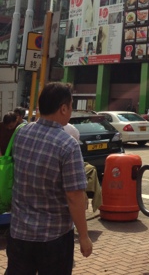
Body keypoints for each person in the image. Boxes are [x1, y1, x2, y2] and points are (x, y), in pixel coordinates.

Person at [7, 81, 93, 274]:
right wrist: (84, 236)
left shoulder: (22, 133)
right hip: (53, 238)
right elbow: (74, 196)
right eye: (71, 106)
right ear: (63, 108)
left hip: (19, 233)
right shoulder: (68, 145)